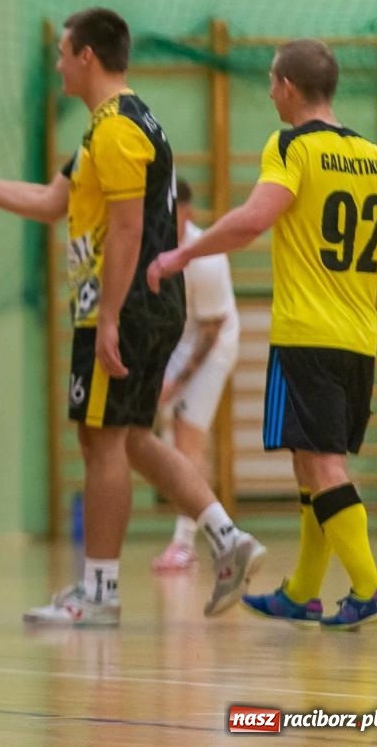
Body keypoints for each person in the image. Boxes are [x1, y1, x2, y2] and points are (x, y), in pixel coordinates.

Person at [0, 7, 263, 626]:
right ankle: (224, 534)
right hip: (136, 301)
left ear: (87, 56)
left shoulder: (119, 128)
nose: (56, 63)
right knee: (126, 436)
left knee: (101, 440)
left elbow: (129, 228)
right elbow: (55, 201)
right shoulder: (107, 127)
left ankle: (99, 593)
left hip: (126, 302)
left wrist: (107, 318)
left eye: (62, 51)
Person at [149, 40, 377, 629]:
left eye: (270, 82)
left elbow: (255, 219)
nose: (267, 92)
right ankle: (303, 591)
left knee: (323, 464)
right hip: (359, 333)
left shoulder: (290, 146)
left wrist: (183, 253)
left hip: (308, 332)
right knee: (311, 463)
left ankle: (371, 589)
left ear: (287, 86)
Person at [150, 177, 239, 573]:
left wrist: (177, 382)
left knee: (188, 434)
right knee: (167, 438)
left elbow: (210, 330)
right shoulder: (150, 243)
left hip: (213, 343)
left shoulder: (206, 258)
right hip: (179, 338)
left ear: (186, 212)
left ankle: (185, 544)